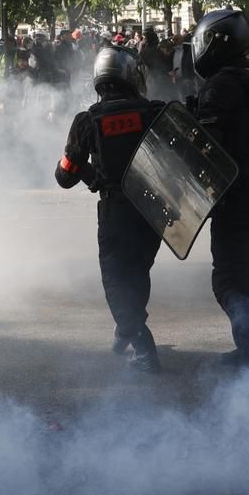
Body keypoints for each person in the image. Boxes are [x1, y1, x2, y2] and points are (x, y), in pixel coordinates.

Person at [54, 46, 167, 372]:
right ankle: (125, 332)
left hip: (116, 211)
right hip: (152, 209)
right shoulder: (154, 112)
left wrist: (93, 174)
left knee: (117, 283)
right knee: (138, 272)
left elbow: (65, 176)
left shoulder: (88, 121)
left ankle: (144, 350)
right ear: (130, 76)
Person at [191, 9, 249, 367]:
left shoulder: (220, 85)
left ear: (216, 42)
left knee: (228, 277)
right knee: (247, 269)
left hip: (237, 189)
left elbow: (207, 146)